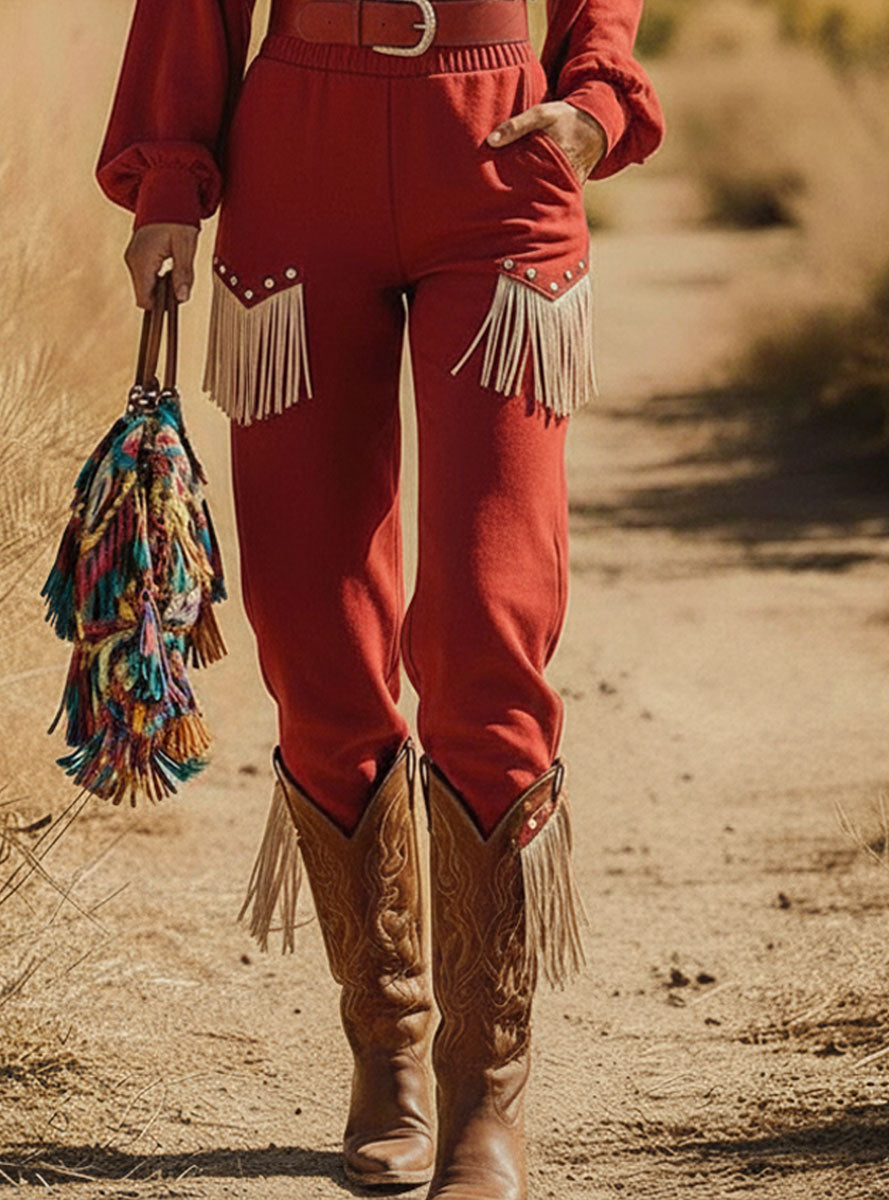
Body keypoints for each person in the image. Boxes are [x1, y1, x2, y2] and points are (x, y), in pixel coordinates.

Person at [96, 1, 663, 1195]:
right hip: (299, 157)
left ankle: (483, 1088)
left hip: (501, 152)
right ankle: (387, 1046)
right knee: (313, 628)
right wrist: (167, 182)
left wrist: (597, 97)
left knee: (487, 617)